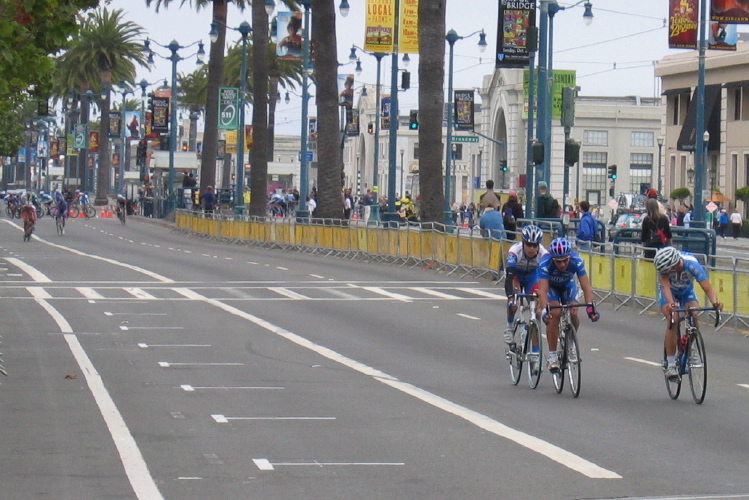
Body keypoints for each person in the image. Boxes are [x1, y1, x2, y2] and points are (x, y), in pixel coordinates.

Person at [653, 246, 723, 380]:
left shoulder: (692, 264)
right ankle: (671, 363)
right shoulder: (663, 270)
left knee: (694, 313)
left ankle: (691, 347)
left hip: (686, 291)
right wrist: (672, 305)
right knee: (673, 320)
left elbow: (708, 288)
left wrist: (715, 303)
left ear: (675, 265)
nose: (667, 272)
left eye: (669, 270)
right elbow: (666, 287)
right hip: (670, 293)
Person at [537, 237, 600, 372]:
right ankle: (553, 356)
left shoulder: (576, 261)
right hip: (552, 288)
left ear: (569, 257)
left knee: (574, 311)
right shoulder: (545, 263)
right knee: (555, 313)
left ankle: (571, 343)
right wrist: (544, 312)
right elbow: (543, 291)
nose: (562, 264)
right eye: (558, 262)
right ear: (553, 259)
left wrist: (590, 308)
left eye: (565, 260)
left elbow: (586, 287)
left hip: (567, 286)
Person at [503, 225, 548, 344]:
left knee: (537, 311)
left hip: (532, 276)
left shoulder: (544, 254)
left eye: (535, 245)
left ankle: (535, 350)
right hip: (516, 276)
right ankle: (509, 326)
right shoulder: (515, 251)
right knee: (513, 304)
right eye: (528, 244)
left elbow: (546, 278)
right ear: (523, 243)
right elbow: (509, 278)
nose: (531, 248)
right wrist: (511, 297)